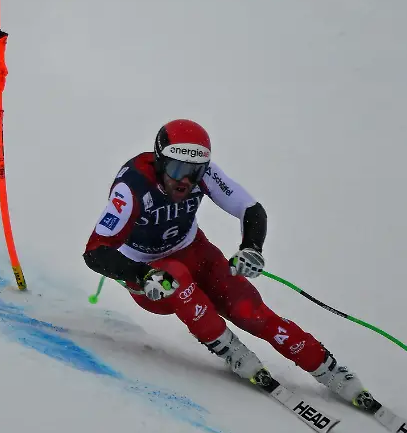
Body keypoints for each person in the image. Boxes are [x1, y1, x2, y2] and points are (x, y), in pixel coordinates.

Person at [82, 118, 376, 410]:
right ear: (160, 161)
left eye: (195, 172)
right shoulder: (133, 187)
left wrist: (251, 248)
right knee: (176, 277)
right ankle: (231, 349)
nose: (185, 181)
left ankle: (326, 367)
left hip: (196, 253)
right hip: (153, 277)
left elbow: (251, 209)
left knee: (250, 312)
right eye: (177, 170)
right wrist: (141, 274)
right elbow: (95, 251)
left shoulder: (204, 174)